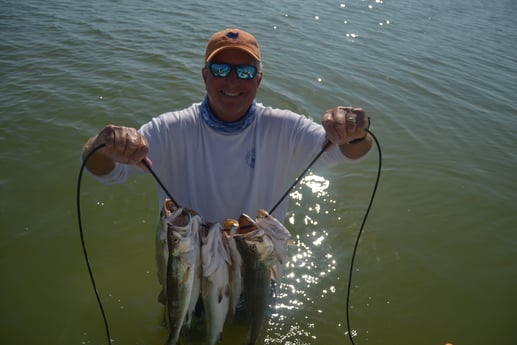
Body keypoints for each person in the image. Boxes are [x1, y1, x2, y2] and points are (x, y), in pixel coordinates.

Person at [82, 28, 373, 224]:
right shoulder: (169, 129)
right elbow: (108, 172)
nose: (232, 81)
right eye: (221, 69)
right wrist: (104, 145)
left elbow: (343, 153)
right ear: (204, 76)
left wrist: (355, 132)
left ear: (258, 80)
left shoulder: (285, 128)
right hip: (188, 268)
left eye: (245, 72)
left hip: (259, 267)